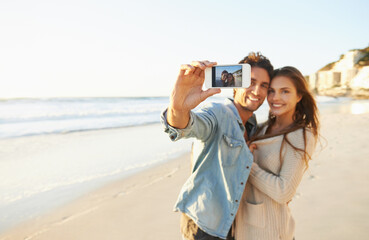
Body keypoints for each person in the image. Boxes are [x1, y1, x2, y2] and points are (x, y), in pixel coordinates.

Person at [161, 52, 273, 240]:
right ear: (235, 85)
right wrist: (178, 107)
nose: (257, 91)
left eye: (264, 86)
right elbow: (187, 126)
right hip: (203, 224)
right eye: (250, 82)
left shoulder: (253, 124)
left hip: (229, 224)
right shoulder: (218, 112)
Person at [234, 66, 320, 240]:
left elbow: (283, 192)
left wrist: (247, 163)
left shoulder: (301, 135)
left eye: (285, 91)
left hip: (271, 232)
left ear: (299, 96)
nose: (275, 98)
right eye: (271, 91)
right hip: (242, 228)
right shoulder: (261, 128)